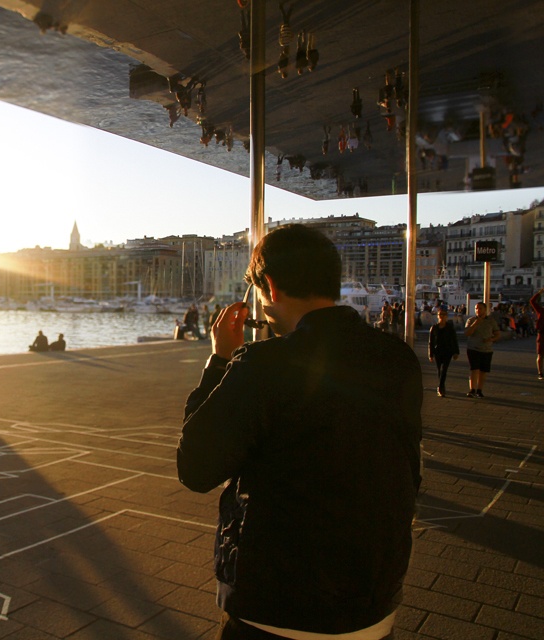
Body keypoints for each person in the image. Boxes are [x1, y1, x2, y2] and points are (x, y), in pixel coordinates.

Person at [177, 224, 422, 640]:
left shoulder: (263, 364)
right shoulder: (397, 358)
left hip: (277, 607)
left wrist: (220, 362)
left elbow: (196, 468)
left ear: (269, 286)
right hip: (373, 602)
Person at [463, 302, 500, 398]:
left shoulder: (491, 321)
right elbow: (467, 333)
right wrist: (475, 324)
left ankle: (480, 390)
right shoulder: (471, 320)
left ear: (485, 310)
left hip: (486, 349)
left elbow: (497, 333)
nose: (478, 310)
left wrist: (491, 339)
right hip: (473, 348)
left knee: (483, 371)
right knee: (474, 369)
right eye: (476, 308)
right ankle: (472, 389)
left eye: (480, 308)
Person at [428, 308, 459, 397]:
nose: (442, 316)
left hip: (447, 351)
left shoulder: (450, 327)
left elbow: (454, 339)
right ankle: (442, 386)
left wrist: (456, 352)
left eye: (444, 314)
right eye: (440, 314)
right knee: (439, 370)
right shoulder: (434, 328)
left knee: (444, 369)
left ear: (446, 316)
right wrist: (431, 354)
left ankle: (441, 388)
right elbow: (431, 341)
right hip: (438, 351)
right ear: (438, 316)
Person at [529, 288, 544, 379]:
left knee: (541, 355)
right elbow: (532, 301)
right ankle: (540, 373)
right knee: (541, 354)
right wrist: (539, 293)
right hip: (542, 334)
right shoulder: (541, 311)